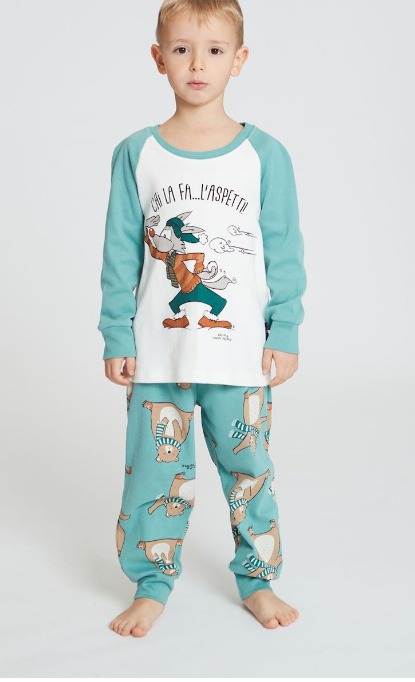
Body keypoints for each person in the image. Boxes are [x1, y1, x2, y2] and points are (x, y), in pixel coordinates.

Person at [97, 0, 307, 638]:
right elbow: (120, 252)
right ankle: (151, 582)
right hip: (157, 354)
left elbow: (285, 249)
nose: (197, 63)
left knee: (250, 471)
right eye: (182, 48)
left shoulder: (265, 154)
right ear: (158, 58)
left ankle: (258, 579)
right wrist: (115, 332)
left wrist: (285, 330)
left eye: (214, 50)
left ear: (238, 60)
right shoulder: (136, 153)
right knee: (155, 473)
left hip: (239, 354)